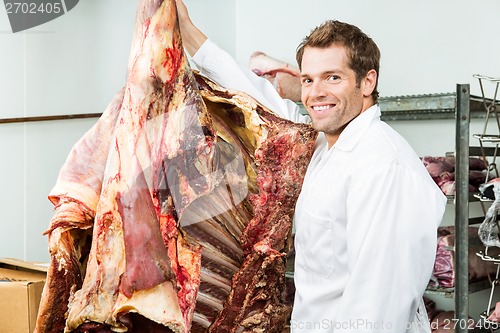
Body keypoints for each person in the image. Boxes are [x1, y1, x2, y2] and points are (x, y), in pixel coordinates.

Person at [175, 1, 447, 332]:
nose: (316, 93)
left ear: (367, 82)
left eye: (332, 77)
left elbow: (378, 309)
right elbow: (259, 100)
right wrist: (187, 32)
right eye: (308, 80)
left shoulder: (383, 167)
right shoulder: (323, 146)